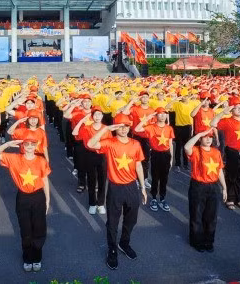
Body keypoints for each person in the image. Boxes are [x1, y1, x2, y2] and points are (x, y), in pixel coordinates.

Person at [86, 114, 146, 271]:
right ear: (115, 127)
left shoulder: (135, 144)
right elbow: (91, 143)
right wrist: (105, 129)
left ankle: (124, 243)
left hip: (132, 186)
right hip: (115, 188)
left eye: (126, 126)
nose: (124, 129)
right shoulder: (109, 143)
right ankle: (112, 249)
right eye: (120, 126)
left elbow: (139, 165)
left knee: (131, 219)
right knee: (112, 222)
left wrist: (143, 188)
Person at [0, 134, 52, 272]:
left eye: (32, 144)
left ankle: (37, 257)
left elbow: (44, 180)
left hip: (38, 197)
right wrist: (9, 143)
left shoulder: (41, 160)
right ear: (22, 146)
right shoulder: (14, 159)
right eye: (27, 144)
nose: (30, 147)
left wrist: (47, 198)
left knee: (39, 228)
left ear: (36, 146)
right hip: (23, 197)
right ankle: (27, 257)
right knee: (25, 229)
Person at [184, 127, 226, 252]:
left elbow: (219, 171)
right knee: (197, 214)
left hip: (213, 186)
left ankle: (208, 241)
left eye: (210, 137)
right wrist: (199, 134)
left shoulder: (216, 152)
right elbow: (186, 147)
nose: (208, 139)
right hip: (198, 186)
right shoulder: (195, 150)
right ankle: (196, 241)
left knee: (211, 216)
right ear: (200, 138)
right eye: (205, 137)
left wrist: (224, 187)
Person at [211, 97, 240, 210]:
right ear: (231, 110)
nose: (239, 109)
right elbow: (213, 123)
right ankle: (230, 198)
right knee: (232, 175)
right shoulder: (226, 121)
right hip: (232, 151)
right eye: (236, 108)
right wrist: (222, 112)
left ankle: (239, 197)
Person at [134, 108, 175, 211]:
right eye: (159, 114)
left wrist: (171, 158)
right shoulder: (151, 127)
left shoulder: (169, 128)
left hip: (166, 155)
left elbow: (170, 144)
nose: (162, 116)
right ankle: (153, 198)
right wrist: (147, 118)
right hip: (156, 154)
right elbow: (137, 129)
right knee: (155, 177)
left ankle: (162, 198)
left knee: (164, 178)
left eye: (164, 114)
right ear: (156, 116)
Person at [74, 107, 109, 215]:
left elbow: (110, 144)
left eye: (100, 114)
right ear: (92, 117)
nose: (97, 117)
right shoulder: (87, 128)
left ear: (102, 116)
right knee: (91, 180)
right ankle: (92, 203)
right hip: (90, 155)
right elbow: (75, 134)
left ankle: (101, 204)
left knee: (102, 180)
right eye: (95, 115)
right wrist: (81, 121)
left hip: (102, 156)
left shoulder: (106, 128)